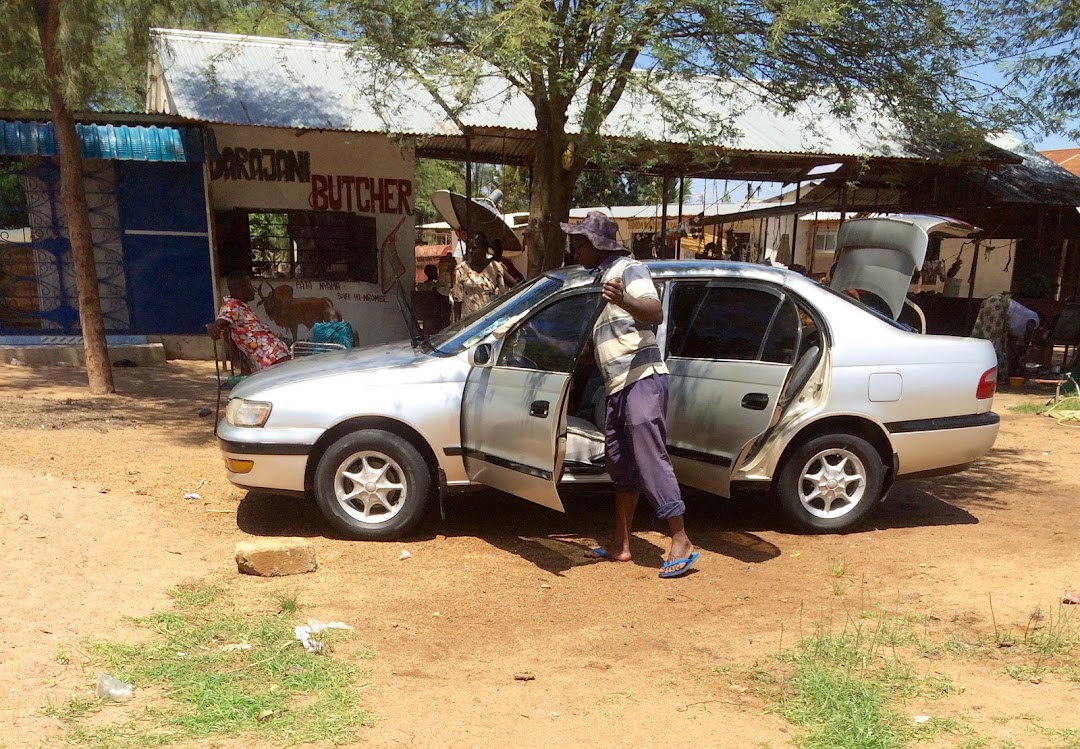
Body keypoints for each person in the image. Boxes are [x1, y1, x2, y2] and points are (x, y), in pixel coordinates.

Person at [561, 210, 698, 579]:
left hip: (642, 379)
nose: (575, 249)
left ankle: (681, 539)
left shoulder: (628, 270)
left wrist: (622, 299)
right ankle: (621, 544)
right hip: (617, 385)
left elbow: (654, 312)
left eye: (579, 242)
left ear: (597, 244)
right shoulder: (601, 279)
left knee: (651, 458)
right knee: (621, 466)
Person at [207, 270, 291, 370]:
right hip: (271, 359)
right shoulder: (232, 306)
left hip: (276, 356)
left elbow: (230, 337)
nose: (253, 289)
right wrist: (213, 326)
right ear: (241, 288)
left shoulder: (241, 307)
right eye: (250, 285)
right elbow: (221, 323)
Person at [452, 231, 506, 318]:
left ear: (484, 248)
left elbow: (502, 297)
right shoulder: (461, 269)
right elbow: (457, 300)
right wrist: (457, 327)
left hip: (489, 321)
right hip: (468, 323)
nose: (470, 251)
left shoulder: (495, 268)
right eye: (469, 248)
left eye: (474, 248)